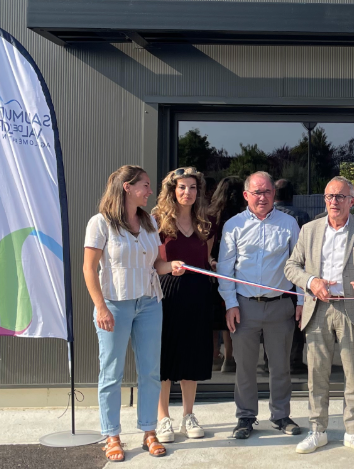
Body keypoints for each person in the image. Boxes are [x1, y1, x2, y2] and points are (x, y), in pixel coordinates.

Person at [82, 165, 185, 462]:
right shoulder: (100, 223)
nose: (150, 191)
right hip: (115, 305)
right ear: (127, 187)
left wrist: (171, 266)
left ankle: (149, 432)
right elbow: (89, 268)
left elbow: (157, 265)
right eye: (145, 185)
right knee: (111, 372)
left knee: (151, 371)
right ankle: (112, 436)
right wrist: (101, 307)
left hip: (150, 303)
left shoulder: (150, 222)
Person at [284, 176, 354, 455]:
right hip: (318, 309)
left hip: (352, 308)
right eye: (330, 196)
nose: (334, 202)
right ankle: (318, 430)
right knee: (317, 376)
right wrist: (311, 281)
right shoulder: (309, 230)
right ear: (324, 200)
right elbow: (291, 266)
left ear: (351, 201)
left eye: (340, 197)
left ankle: (353, 432)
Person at [218, 171, 304, 440]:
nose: (262, 197)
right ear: (246, 195)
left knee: (281, 366)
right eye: (257, 192)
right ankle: (245, 417)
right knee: (244, 368)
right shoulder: (233, 226)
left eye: (267, 191)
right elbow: (225, 269)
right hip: (244, 307)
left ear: (274, 194)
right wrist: (230, 304)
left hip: (280, 306)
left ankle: (281, 415)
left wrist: (301, 301)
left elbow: (300, 265)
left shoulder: (289, 224)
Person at [152, 167, 215, 443]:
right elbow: (154, 263)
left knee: (192, 354)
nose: (187, 192)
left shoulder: (206, 223)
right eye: (181, 187)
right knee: (165, 355)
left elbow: (205, 259)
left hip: (198, 293)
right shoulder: (156, 221)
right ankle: (162, 418)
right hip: (168, 292)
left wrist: (212, 264)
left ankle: (188, 415)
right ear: (172, 190)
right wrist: (169, 266)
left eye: (192, 187)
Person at [208, 177, 245, 373]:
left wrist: (211, 261)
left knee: (214, 317)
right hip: (235, 273)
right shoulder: (242, 218)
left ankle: (214, 355)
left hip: (212, 272)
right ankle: (229, 358)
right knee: (231, 313)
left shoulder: (210, 216)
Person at [274, 178, 310, 375]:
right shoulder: (302, 215)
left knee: (273, 321)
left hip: (274, 276)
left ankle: (270, 359)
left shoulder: (270, 215)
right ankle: (295, 360)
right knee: (297, 318)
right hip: (297, 275)